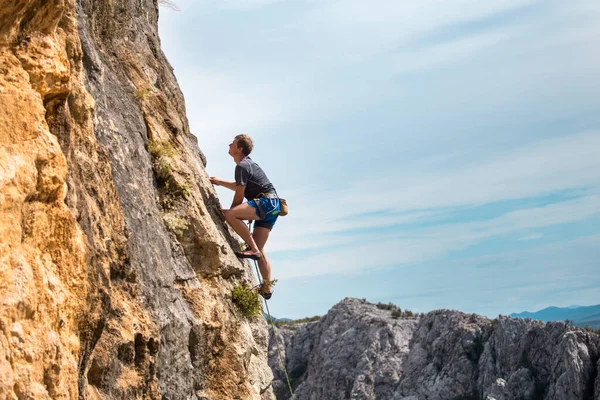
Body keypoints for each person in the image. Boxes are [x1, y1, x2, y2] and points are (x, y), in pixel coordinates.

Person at [210, 134, 280, 299]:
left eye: (233, 143)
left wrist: (233, 214)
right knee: (260, 249)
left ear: (239, 148)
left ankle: (252, 250)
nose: (229, 144)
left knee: (232, 214)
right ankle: (267, 288)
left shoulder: (241, 165)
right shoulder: (247, 165)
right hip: (273, 205)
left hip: (265, 202)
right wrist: (219, 182)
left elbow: (240, 195)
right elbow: (239, 186)